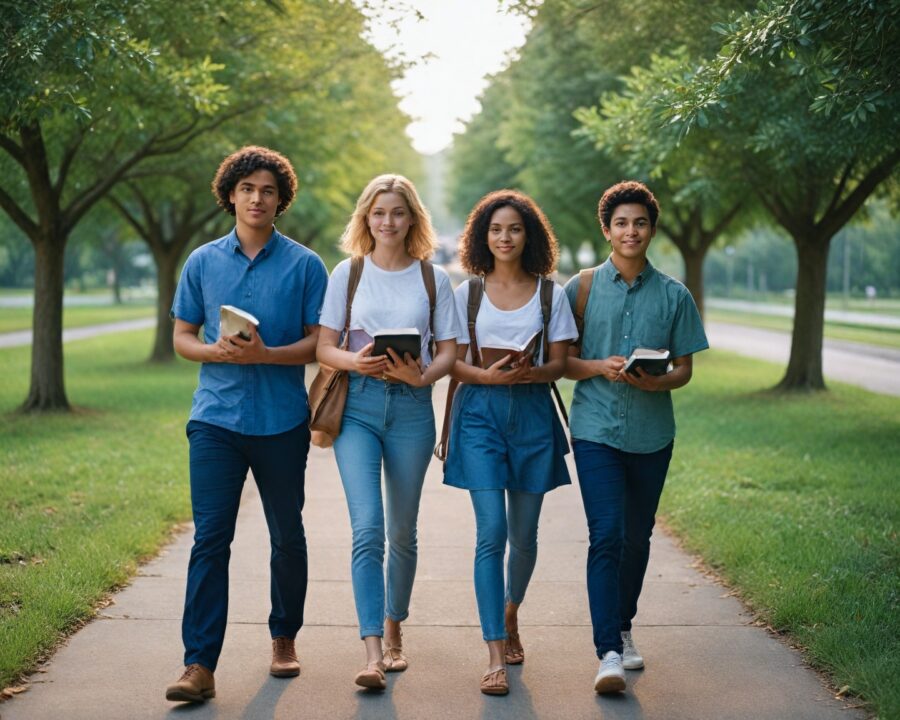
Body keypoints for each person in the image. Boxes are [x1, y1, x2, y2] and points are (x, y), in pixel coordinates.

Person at [165, 146, 328, 703]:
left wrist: (266, 354)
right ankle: (198, 664)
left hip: (282, 422)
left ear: (281, 200)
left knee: (287, 535)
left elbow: (319, 344)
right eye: (248, 188)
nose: (257, 198)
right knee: (211, 539)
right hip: (215, 421)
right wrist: (213, 350)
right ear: (230, 195)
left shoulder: (306, 265)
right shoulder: (201, 262)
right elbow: (182, 338)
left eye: (268, 190)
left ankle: (284, 637)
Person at [563, 181, 708, 694]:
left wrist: (658, 378)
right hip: (595, 431)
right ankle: (607, 653)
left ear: (651, 230)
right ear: (607, 229)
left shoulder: (674, 295)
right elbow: (561, 362)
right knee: (606, 535)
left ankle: (623, 626)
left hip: (652, 435)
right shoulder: (578, 289)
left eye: (640, 223)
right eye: (621, 222)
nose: (631, 231)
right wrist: (599, 367)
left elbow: (685, 368)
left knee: (636, 539)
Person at [316, 174, 459, 690]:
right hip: (357, 406)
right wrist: (354, 361)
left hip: (412, 410)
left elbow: (448, 350)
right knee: (368, 528)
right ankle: (372, 650)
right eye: (379, 213)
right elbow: (323, 348)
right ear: (365, 218)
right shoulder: (347, 274)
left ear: (412, 218)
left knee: (402, 530)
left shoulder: (432, 278)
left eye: (398, 212)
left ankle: (396, 630)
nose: (388, 222)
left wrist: (421, 375)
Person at [443, 190, 577, 696]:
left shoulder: (551, 294)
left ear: (530, 236)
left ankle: (511, 611)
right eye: (496, 229)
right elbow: (450, 361)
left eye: (515, 229)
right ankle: (494, 652)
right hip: (478, 414)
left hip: (533, 412)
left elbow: (561, 363)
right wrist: (485, 375)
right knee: (491, 532)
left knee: (524, 536)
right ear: (483, 236)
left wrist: (529, 372)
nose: (505, 237)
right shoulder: (466, 295)